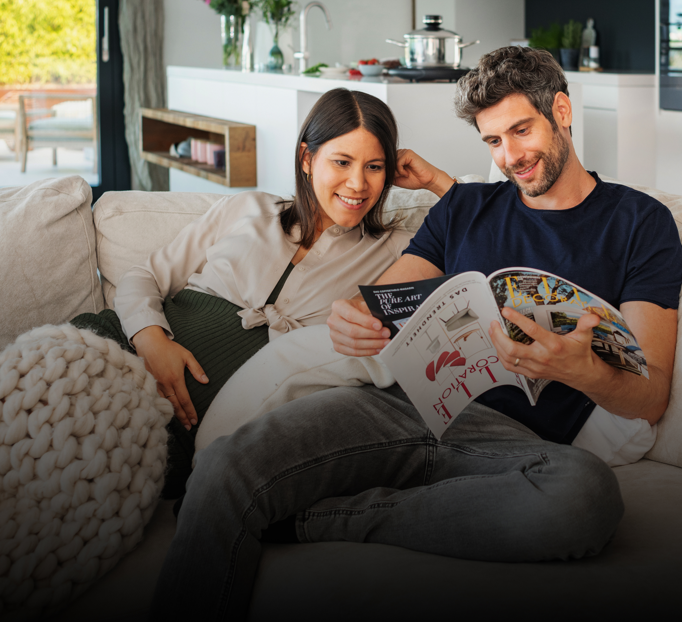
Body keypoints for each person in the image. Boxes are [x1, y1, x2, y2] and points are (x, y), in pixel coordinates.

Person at [150, 47, 682, 622]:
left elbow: (651, 393)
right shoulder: (464, 209)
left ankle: (330, 520)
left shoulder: (640, 223)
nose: (511, 157)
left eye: (521, 131)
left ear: (561, 110)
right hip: (396, 407)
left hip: (509, 443)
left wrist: (579, 371)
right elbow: (379, 300)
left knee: (586, 497)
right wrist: (351, 318)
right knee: (227, 465)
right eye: (493, 142)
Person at [71, 88, 455, 492]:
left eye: (375, 167)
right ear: (308, 159)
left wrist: (437, 181)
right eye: (342, 162)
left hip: (182, 432)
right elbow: (143, 276)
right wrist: (150, 340)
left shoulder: (399, 250)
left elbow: (491, 240)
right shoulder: (248, 209)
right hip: (115, 349)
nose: (358, 183)